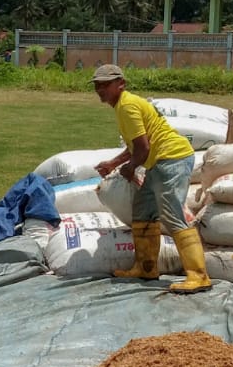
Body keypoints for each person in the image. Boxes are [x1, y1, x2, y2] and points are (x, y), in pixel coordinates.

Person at [90, 64, 211, 294]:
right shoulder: (123, 106)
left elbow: (142, 148)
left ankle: (199, 276)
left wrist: (131, 167)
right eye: (97, 85)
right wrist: (114, 164)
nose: (100, 89)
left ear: (121, 84)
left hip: (171, 159)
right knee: (143, 211)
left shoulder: (127, 106)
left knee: (172, 214)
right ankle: (146, 267)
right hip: (159, 162)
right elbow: (135, 145)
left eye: (105, 84)